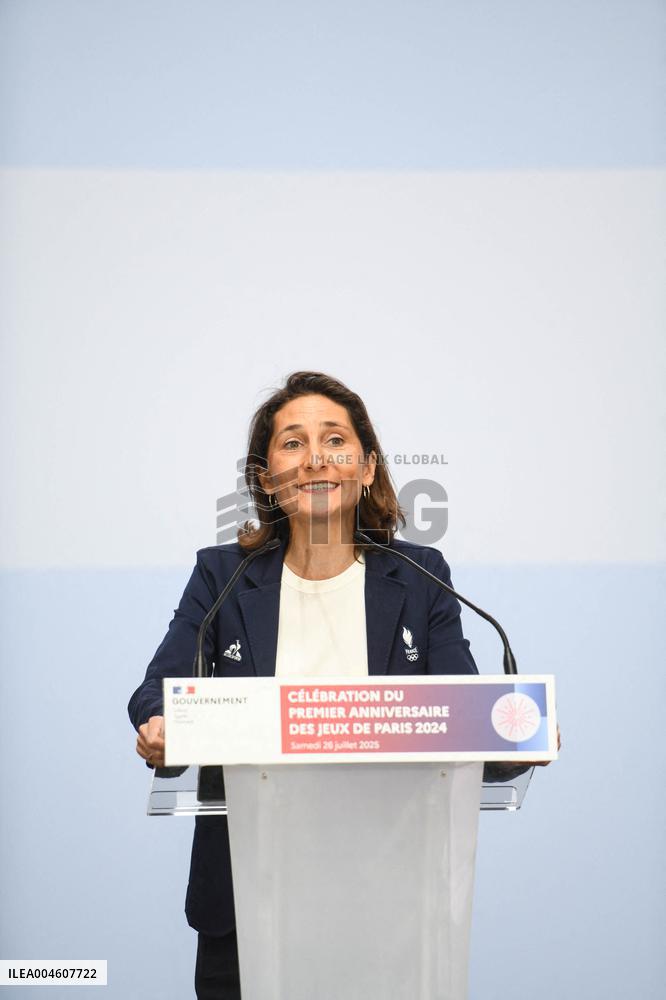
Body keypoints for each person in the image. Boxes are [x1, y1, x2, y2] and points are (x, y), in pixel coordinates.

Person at [128, 370, 555, 999]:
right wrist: (162, 729)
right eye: (292, 443)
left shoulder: (418, 576)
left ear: (367, 466)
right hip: (248, 904)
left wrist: (515, 738)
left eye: (335, 440)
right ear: (266, 475)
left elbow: (461, 712)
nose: (315, 459)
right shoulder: (222, 574)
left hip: (388, 902)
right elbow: (155, 694)